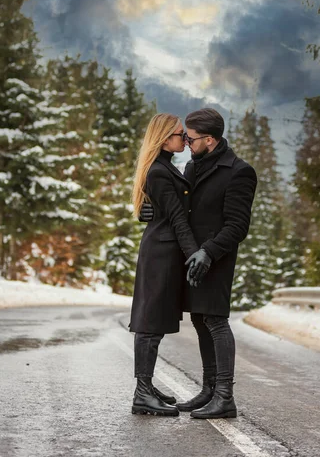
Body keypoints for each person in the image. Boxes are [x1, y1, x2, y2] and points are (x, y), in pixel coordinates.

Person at [140, 108, 257, 419]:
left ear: (210, 139)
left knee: (216, 322)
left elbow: (237, 225)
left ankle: (225, 397)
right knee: (200, 320)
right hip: (191, 259)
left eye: (190, 138)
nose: (187, 143)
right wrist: (151, 212)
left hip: (214, 258)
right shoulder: (193, 166)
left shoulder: (238, 171)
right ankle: (208, 389)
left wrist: (208, 252)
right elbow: (180, 207)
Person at [130, 113, 201, 417]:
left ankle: (145, 388)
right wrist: (194, 254)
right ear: (163, 138)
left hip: (162, 250)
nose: (184, 138)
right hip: (161, 252)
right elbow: (176, 218)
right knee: (150, 323)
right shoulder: (159, 171)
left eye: (186, 134)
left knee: (154, 321)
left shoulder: (165, 167)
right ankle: (142, 393)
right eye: (178, 134)